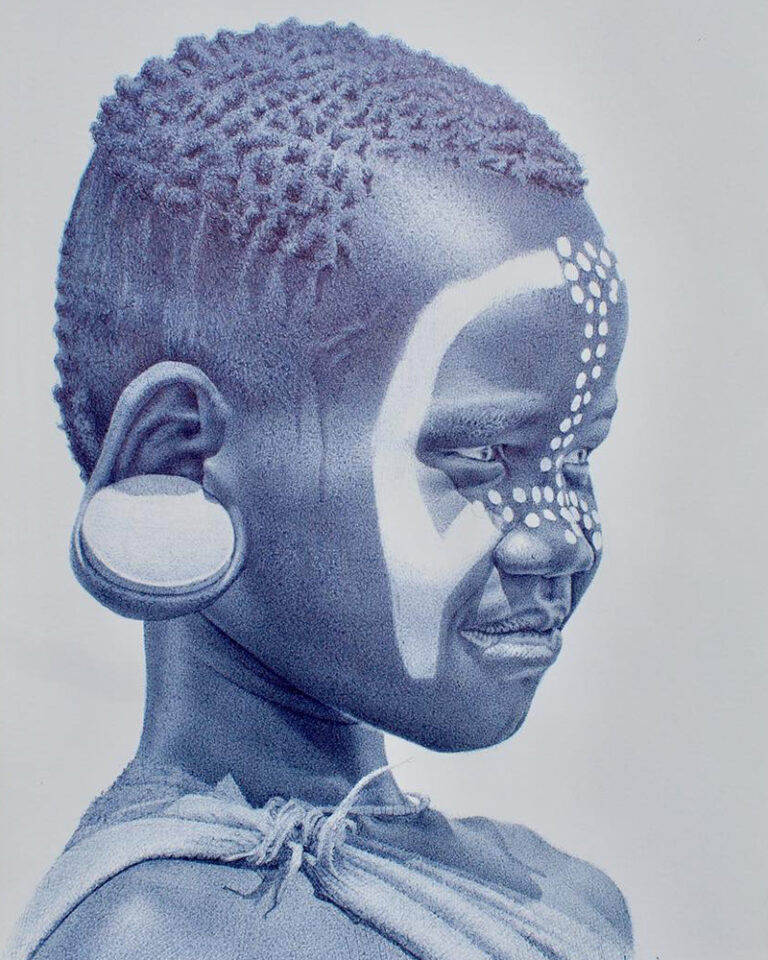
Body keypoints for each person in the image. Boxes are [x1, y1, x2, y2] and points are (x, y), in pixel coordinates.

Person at [5, 19, 633, 960]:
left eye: (576, 457)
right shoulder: (158, 938)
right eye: (478, 457)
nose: (563, 537)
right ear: (178, 458)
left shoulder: (564, 896)